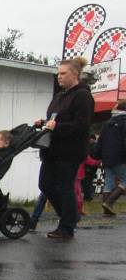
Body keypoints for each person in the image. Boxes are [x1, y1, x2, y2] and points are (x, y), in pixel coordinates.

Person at [36, 57, 94, 240]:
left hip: (69, 151)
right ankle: (71, 217)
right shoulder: (60, 95)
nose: (59, 77)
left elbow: (82, 125)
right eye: (58, 73)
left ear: (75, 74)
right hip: (51, 149)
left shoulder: (83, 96)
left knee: (65, 187)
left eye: (63, 73)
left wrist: (57, 127)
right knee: (45, 184)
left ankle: (67, 227)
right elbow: (55, 119)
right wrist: (44, 123)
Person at [94, 99, 126, 216]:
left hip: (106, 157)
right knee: (125, 180)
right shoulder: (124, 122)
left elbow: (100, 140)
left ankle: (106, 210)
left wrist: (97, 154)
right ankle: (109, 202)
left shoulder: (108, 123)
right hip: (120, 157)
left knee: (108, 182)